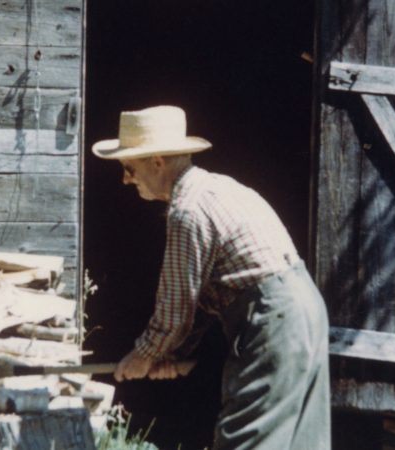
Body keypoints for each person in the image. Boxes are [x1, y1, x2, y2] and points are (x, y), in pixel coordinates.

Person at [92, 105, 331, 450]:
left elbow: (175, 310)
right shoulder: (217, 187)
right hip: (304, 308)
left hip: (275, 318)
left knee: (247, 441)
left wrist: (143, 356)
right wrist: (170, 356)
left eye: (129, 168)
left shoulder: (187, 212)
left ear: (157, 162)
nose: (126, 179)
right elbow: (204, 300)